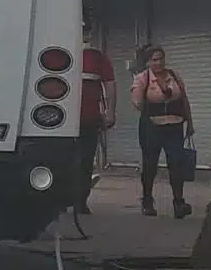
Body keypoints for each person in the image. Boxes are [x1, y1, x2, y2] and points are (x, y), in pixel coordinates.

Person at [130, 46, 195, 218]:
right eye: (154, 59)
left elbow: (184, 99)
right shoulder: (142, 78)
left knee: (176, 163)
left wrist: (190, 122)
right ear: (147, 62)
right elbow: (137, 104)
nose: (158, 63)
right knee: (150, 164)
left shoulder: (173, 76)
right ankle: (147, 200)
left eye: (160, 58)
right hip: (152, 127)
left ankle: (179, 202)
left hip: (175, 125)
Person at [78, 29, 116, 214]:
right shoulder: (58, 51)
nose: (86, 36)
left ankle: (80, 200)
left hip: (89, 119)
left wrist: (109, 112)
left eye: (87, 32)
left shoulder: (98, 58)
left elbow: (109, 84)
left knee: (85, 161)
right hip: (58, 121)